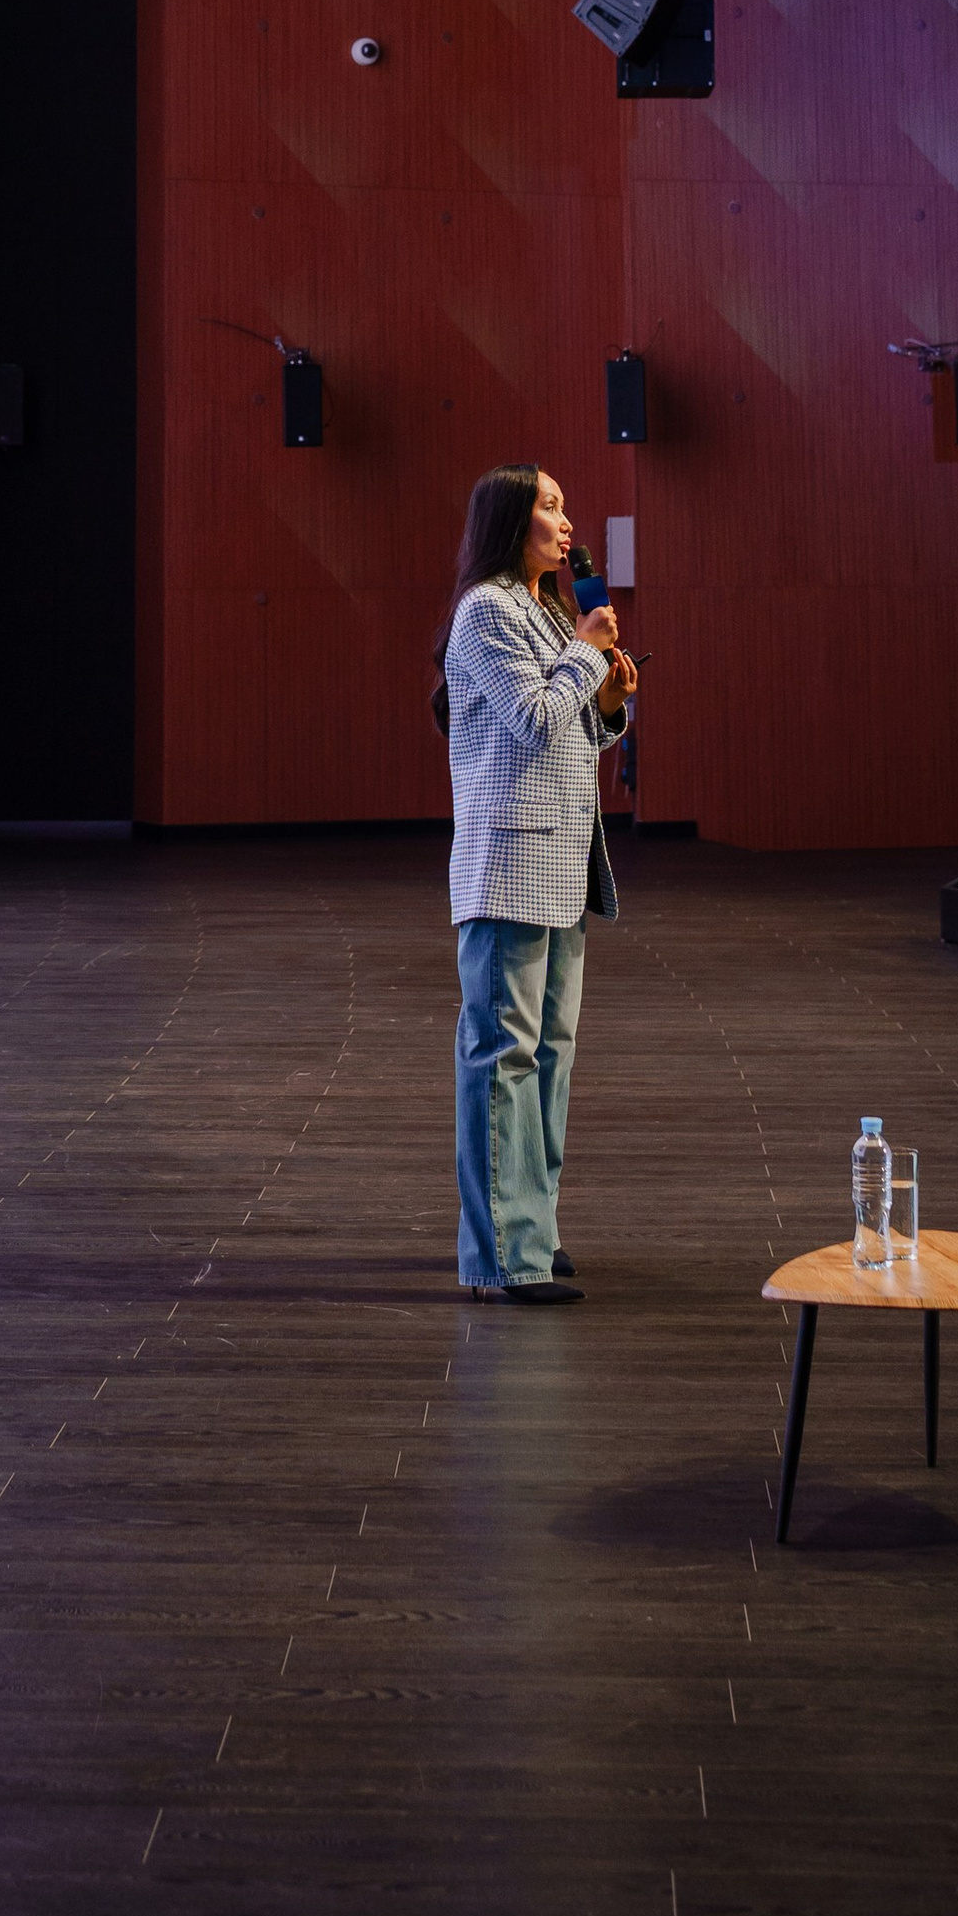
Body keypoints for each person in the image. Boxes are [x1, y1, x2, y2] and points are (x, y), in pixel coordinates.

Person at [432, 464, 637, 1307]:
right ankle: (501, 1259)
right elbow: (530, 720)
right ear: (514, 522)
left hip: (558, 861)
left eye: (563, 505)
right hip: (509, 864)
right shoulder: (485, 609)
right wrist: (586, 657)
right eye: (550, 506)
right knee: (503, 1058)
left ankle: (535, 1235)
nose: (566, 518)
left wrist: (613, 697)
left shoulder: (546, 611)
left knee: (548, 1058)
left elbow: (573, 734)